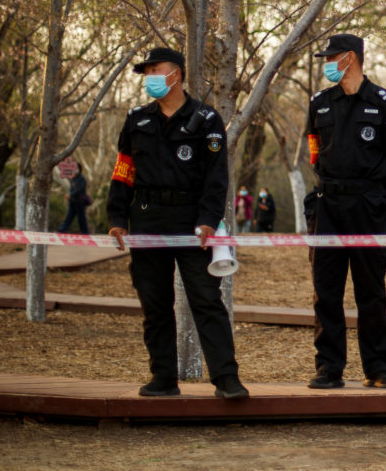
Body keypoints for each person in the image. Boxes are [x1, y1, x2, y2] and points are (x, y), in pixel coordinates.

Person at [106, 46, 249, 400]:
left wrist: (207, 221)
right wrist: (116, 217)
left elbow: (217, 177)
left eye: (156, 70)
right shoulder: (137, 119)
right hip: (146, 219)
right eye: (146, 71)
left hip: (191, 224)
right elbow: (123, 171)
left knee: (206, 300)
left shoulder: (207, 118)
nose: (150, 77)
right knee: (154, 303)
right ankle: (163, 378)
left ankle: (227, 379)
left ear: (177, 74)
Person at [303, 33, 386, 389]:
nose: (327, 64)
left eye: (332, 58)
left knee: (371, 290)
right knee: (326, 291)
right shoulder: (319, 102)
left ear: (350, 58)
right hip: (327, 206)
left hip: (367, 206)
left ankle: (377, 367)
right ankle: (329, 368)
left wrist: (373, 191)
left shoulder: (383, 102)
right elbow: (314, 151)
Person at [58, 163, 91, 234]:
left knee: (81, 218)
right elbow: (72, 189)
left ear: (79, 169)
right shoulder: (73, 179)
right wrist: (69, 196)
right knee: (69, 217)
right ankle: (62, 230)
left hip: (80, 202)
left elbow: (79, 190)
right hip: (72, 201)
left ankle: (85, 232)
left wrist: (70, 195)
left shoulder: (82, 179)